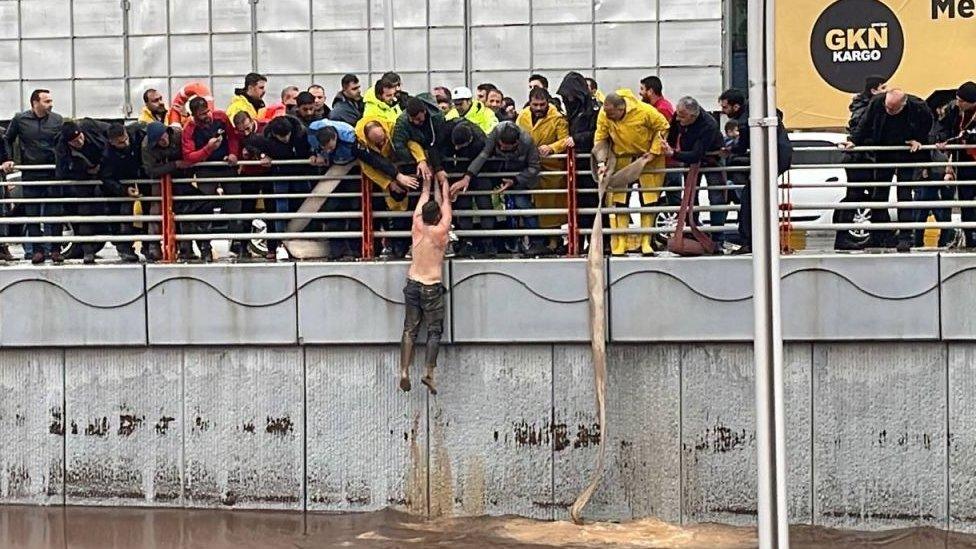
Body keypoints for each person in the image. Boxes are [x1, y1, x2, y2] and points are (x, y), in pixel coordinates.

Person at [846, 88, 933, 252]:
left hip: (907, 152)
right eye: (887, 108)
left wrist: (919, 140)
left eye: (893, 109)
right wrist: (854, 140)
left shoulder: (918, 106)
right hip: (884, 151)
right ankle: (877, 236)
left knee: (904, 194)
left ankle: (905, 237)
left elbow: (928, 123)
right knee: (878, 194)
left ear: (904, 103)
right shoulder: (877, 103)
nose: (889, 111)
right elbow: (865, 123)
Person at [593, 90, 670, 256]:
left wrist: (654, 151)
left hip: (648, 160)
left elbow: (663, 127)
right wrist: (600, 162)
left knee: (648, 200)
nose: (609, 117)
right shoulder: (604, 114)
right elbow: (600, 137)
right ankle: (620, 241)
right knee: (619, 200)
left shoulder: (645, 111)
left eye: (612, 114)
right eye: (607, 113)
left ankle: (646, 242)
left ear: (621, 109)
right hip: (622, 158)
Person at [452, 121, 546, 256]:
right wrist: (468, 176)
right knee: (485, 203)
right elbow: (483, 156)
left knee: (523, 205)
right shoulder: (494, 134)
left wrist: (515, 180)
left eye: (507, 149)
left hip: (519, 176)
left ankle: (538, 242)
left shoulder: (527, 141)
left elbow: (534, 167)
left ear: (517, 143)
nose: (503, 150)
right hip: (496, 172)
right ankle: (490, 243)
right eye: (501, 147)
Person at [719, 88, 792, 254]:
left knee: (748, 199)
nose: (723, 111)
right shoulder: (758, 108)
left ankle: (749, 241)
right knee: (757, 199)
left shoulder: (746, 122)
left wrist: (728, 150)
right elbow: (778, 112)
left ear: (736, 107)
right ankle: (763, 239)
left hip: (771, 159)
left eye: (725, 107)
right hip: (779, 155)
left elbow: (742, 146)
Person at [399, 173, 451, 395]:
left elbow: (423, 196)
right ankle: (429, 372)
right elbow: (447, 201)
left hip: (412, 282)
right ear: (437, 215)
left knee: (409, 329)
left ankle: (403, 371)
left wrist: (428, 183)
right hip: (431, 285)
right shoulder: (441, 231)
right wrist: (444, 182)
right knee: (434, 330)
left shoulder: (417, 225)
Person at [2, 89, 65, 264]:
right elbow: (7, 138)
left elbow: (63, 143)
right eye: (46, 101)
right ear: (35, 103)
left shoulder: (57, 120)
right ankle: (36, 250)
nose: (50, 104)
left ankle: (55, 249)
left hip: (53, 173)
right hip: (31, 173)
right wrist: (8, 159)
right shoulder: (20, 119)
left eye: (51, 101)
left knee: (55, 213)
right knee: (32, 213)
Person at [182, 96, 241, 262]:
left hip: (226, 167)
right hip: (205, 170)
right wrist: (208, 149)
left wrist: (233, 153)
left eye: (207, 111)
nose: (206, 116)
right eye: (201, 114)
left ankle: (238, 241)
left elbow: (233, 136)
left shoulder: (221, 117)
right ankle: (204, 246)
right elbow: (189, 156)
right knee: (204, 207)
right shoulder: (189, 129)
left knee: (235, 204)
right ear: (194, 115)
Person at [664, 96, 729, 247]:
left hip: (711, 156)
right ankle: (691, 231)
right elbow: (673, 134)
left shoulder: (709, 125)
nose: (679, 119)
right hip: (688, 154)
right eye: (678, 115)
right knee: (690, 196)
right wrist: (669, 145)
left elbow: (697, 154)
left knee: (717, 196)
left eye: (682, 117)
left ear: (693, 116)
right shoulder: (679, 115)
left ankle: (717, 236)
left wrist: (673, 154)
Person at [357, 114, 425, 259]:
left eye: (383, 140)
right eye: (377, 142)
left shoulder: (394, 128)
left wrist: (421, 160)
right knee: (388, 214)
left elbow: (411, 144)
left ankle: (406, 245)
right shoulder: (360, 142)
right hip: (383, 177)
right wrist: (388, 183)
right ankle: (393, 246)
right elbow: (368, 167)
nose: (382, 144)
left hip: (404, 168)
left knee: (410, 208)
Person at [833, 76, 888, 250]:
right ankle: (845, 237)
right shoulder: (865, 109)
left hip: (866, 157)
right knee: (857, 196)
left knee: (873, 196)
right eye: (883, 87)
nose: (886, 90)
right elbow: (862, 130)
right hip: (861, 158)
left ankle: (880, 235)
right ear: (874, 90)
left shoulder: (866, 106)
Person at [517, 87, 570, 252]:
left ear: (547, 102)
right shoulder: (523, 116)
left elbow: (564, 139)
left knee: (552, 207)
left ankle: (554, 241)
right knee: (532, 206)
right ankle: (537, 241)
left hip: (551, 169)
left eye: (542, 104)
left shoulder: (558, 118)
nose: (538, 108)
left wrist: (552, 148)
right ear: (530, 103)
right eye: (535, 104)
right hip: (530, 168)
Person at [434, 120, 494, 256]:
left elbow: (483, 160)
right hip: (458, 170)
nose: (456, 148)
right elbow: (434, 149)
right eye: (455, 145)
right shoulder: (446, 129)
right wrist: (439, 168)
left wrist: (468, 176)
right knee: (462, 204)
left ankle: (488, 242)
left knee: (484, 203)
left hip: (480, 171)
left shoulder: (480, 139)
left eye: (460, 146)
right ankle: (467, 241)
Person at [556, 72, 601, 251]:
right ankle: (579, 241)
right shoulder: (573, 111)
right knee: (578, 204)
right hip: (576, 165)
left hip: (590, 163)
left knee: (593, 202)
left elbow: (599, 133)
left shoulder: (594, 110)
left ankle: (596, 242)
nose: (568, 99)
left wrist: (578, 138)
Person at [258, 115, 312, 261]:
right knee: (278, 211)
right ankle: (275, 245)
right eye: (281, 137)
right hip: (278, 175)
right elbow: (257, 146)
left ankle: (300, 244)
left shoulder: (300, 132)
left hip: (300, 174)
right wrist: (263, 155)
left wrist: (312, 156)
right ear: (275, 135)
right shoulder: (267, 136)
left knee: (302, 207)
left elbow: (310, 147)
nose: (286, 139)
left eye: (287, 135)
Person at [55, 119, 107, 264]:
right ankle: (87, 250)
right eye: (75, 142)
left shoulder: (91, 127)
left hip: (104, 174)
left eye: (80, 138)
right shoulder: (61, 149)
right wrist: (84, 170)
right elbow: (61, 172)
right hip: (82, 181)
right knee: (84, 213)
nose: (80, 142)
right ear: (68, 143)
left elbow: (111, 135)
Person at [141, 122, 191, 260]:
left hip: (182, 177)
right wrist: (174, 165)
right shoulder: (147, 146)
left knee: (184, 208)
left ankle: (186, 247)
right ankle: (153, 247)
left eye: (163, 138)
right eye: (158, 141)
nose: (162, 142)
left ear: (167, 132)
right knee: (156, 210)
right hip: (161, 178)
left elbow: (190, 155)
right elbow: (150, 170)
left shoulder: (179, 135)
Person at [100, 123, 149, 263]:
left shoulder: (138, 134)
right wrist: (123, 190)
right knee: (122, 215)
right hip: (121, 182)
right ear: (111, 142)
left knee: (148, 210)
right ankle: (124, 247)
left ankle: (148, 245)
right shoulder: (107, 154)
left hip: (142, 175)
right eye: (121, 142)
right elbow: (106, 177)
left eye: (126, 138)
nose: (126, 143)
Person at [935, 81, 976, 247]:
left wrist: (955, 140)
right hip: (964, 163)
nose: (957, 103)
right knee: (966, 202)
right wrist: (943, 140)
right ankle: (970, 238)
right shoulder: (953, 110)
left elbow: (969, 136)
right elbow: (941, 128)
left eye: (961, 101)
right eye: (957, 99)